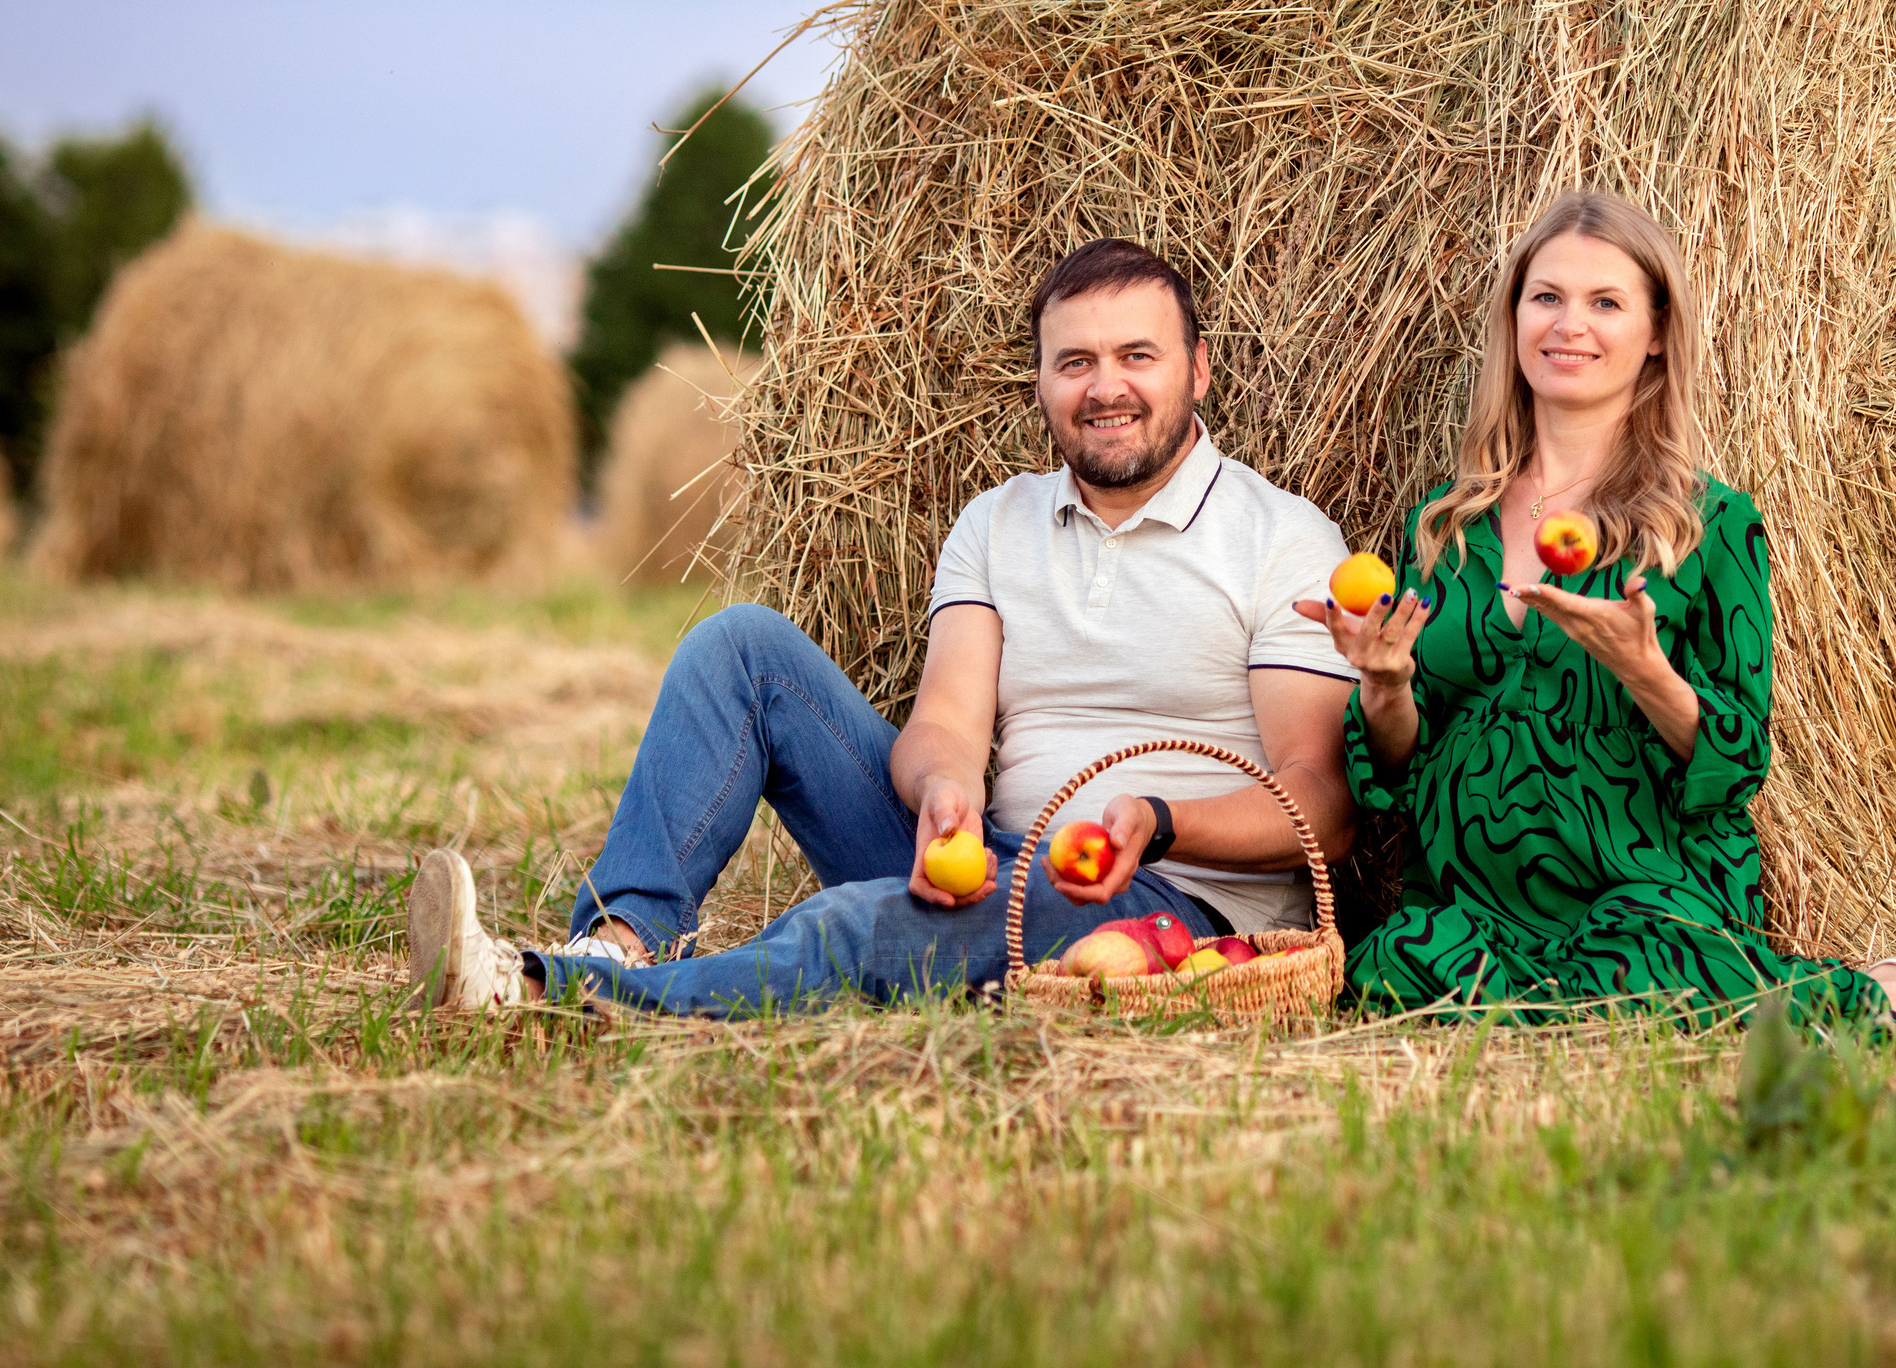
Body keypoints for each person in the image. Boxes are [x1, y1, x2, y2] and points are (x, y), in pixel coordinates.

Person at [407, 238, 1358, 1014]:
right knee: (741, 648)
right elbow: (946, 720)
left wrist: (1155, 824)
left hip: (1164, 904)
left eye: (1136, 356)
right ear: (1040, 384)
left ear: (1196, 369)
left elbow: (1320, 804)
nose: (1105, 388)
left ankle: (541, 991)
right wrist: (944, 790)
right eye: (1075, 362)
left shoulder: (1279, 538)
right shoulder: (997, 522)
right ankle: (616, 939)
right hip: (994, 855)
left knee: (854, 928)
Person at [1300, 191, 1896, 1040]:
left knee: (1636, 988)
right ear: (1515, 319)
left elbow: (1737, 755)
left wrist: (1644, 669)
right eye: (1548, 297)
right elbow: (1396, 763)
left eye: (1605, 302)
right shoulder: (1445, 525)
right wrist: (1385, 686)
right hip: (1475, 899)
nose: (1569, 325)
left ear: (1654, 334)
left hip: (1640, 882)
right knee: (1391, 974)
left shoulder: (1708, 526)